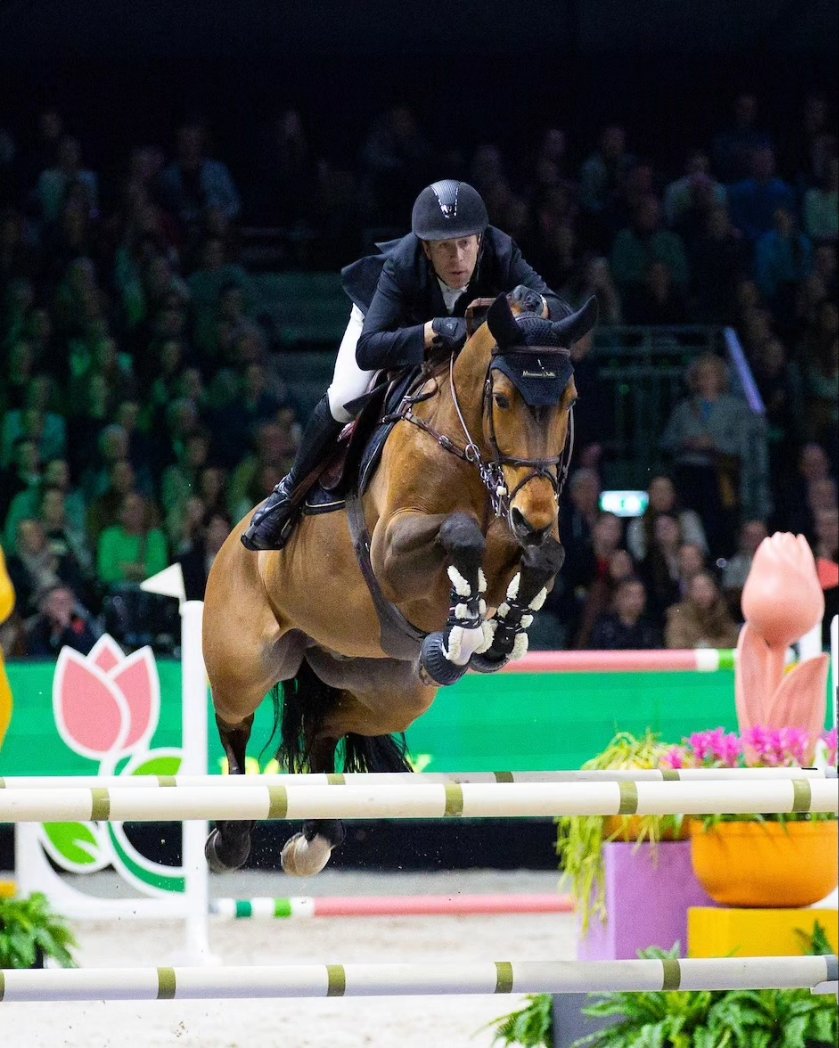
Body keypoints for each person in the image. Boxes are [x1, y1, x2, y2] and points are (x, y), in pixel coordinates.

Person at [242, 179, 572, 551]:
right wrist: (427, 331)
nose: (458, 259)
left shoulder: (501, 249)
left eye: (465, 244)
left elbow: (562, 311)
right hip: (392, 324)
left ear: (480, 240)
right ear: (427, 249)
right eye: (445, 248)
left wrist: (541, 305)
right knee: (343, 398)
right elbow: (369, 348)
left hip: (459, 338)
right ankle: (285, 498)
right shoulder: (402, 265)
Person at [24, 583, 98, 657]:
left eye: (65, 601)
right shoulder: (38, 628)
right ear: (47, 606)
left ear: (72, 605)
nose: (61, 605)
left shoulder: (82, 626)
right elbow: (36, 656)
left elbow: (87, 652)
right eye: (56, 601)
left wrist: (67, 626)